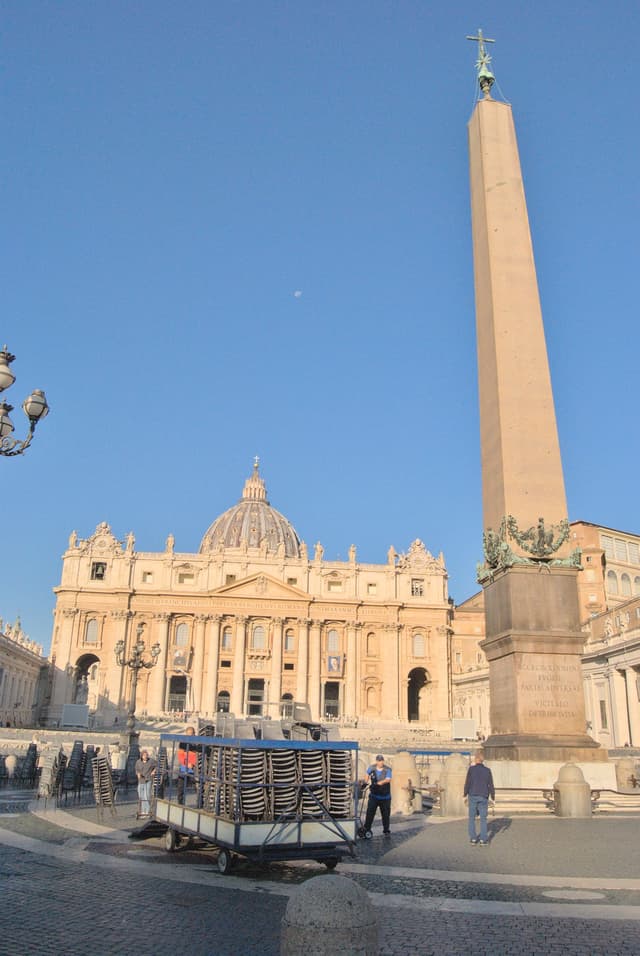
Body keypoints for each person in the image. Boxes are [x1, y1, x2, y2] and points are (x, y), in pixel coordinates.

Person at [464, 750, 495, 845]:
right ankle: (483, 839)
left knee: (471, 818)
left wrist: (464, 794)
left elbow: (468, 783)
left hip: (473, 794)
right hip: (483, 795)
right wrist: (493, 797)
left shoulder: (471, 769)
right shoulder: (487, 770)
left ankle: (473, 838)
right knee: (483, 819)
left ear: (476, 759)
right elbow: (491, 785)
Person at [362, 754, 392, 837]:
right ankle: (367, 828)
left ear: (383, 761)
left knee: (385, 815)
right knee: (370, 813)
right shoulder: (372, 768)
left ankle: (386, 830)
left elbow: (388, 780)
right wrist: (365, 782)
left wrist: (378, 783)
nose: (380, 762)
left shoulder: (388, 769)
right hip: (374, 796)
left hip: (385, 797)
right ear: (376, 761)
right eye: (379, 761)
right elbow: (367, 774)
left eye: (381, 761)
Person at [176, 726, 197, 805]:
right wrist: (186, 763)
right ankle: (180, 803)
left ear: (194, 734)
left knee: (197, 785)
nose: (190, 736)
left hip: (194, 767)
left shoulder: (197, 743)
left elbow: (198, 755)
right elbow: (180, 756)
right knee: (181, 786)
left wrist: (193, 763)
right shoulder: (182, 743)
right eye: (188, 734)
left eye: (191, 734)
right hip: (184, 766)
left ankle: (200, 803)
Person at [135, 749, 157, 818]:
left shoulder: (151, 761)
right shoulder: (138, 762)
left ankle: (147, 812)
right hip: (141, 780)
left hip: (148, 779)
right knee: (141, 795)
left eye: (146, 755)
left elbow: (157, 765)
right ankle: (143, 810)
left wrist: (154, 771)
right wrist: (138, 774)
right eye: (144, 755)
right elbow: (137, 769)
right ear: (141, 756)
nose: (145, 756)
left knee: (147, 795)